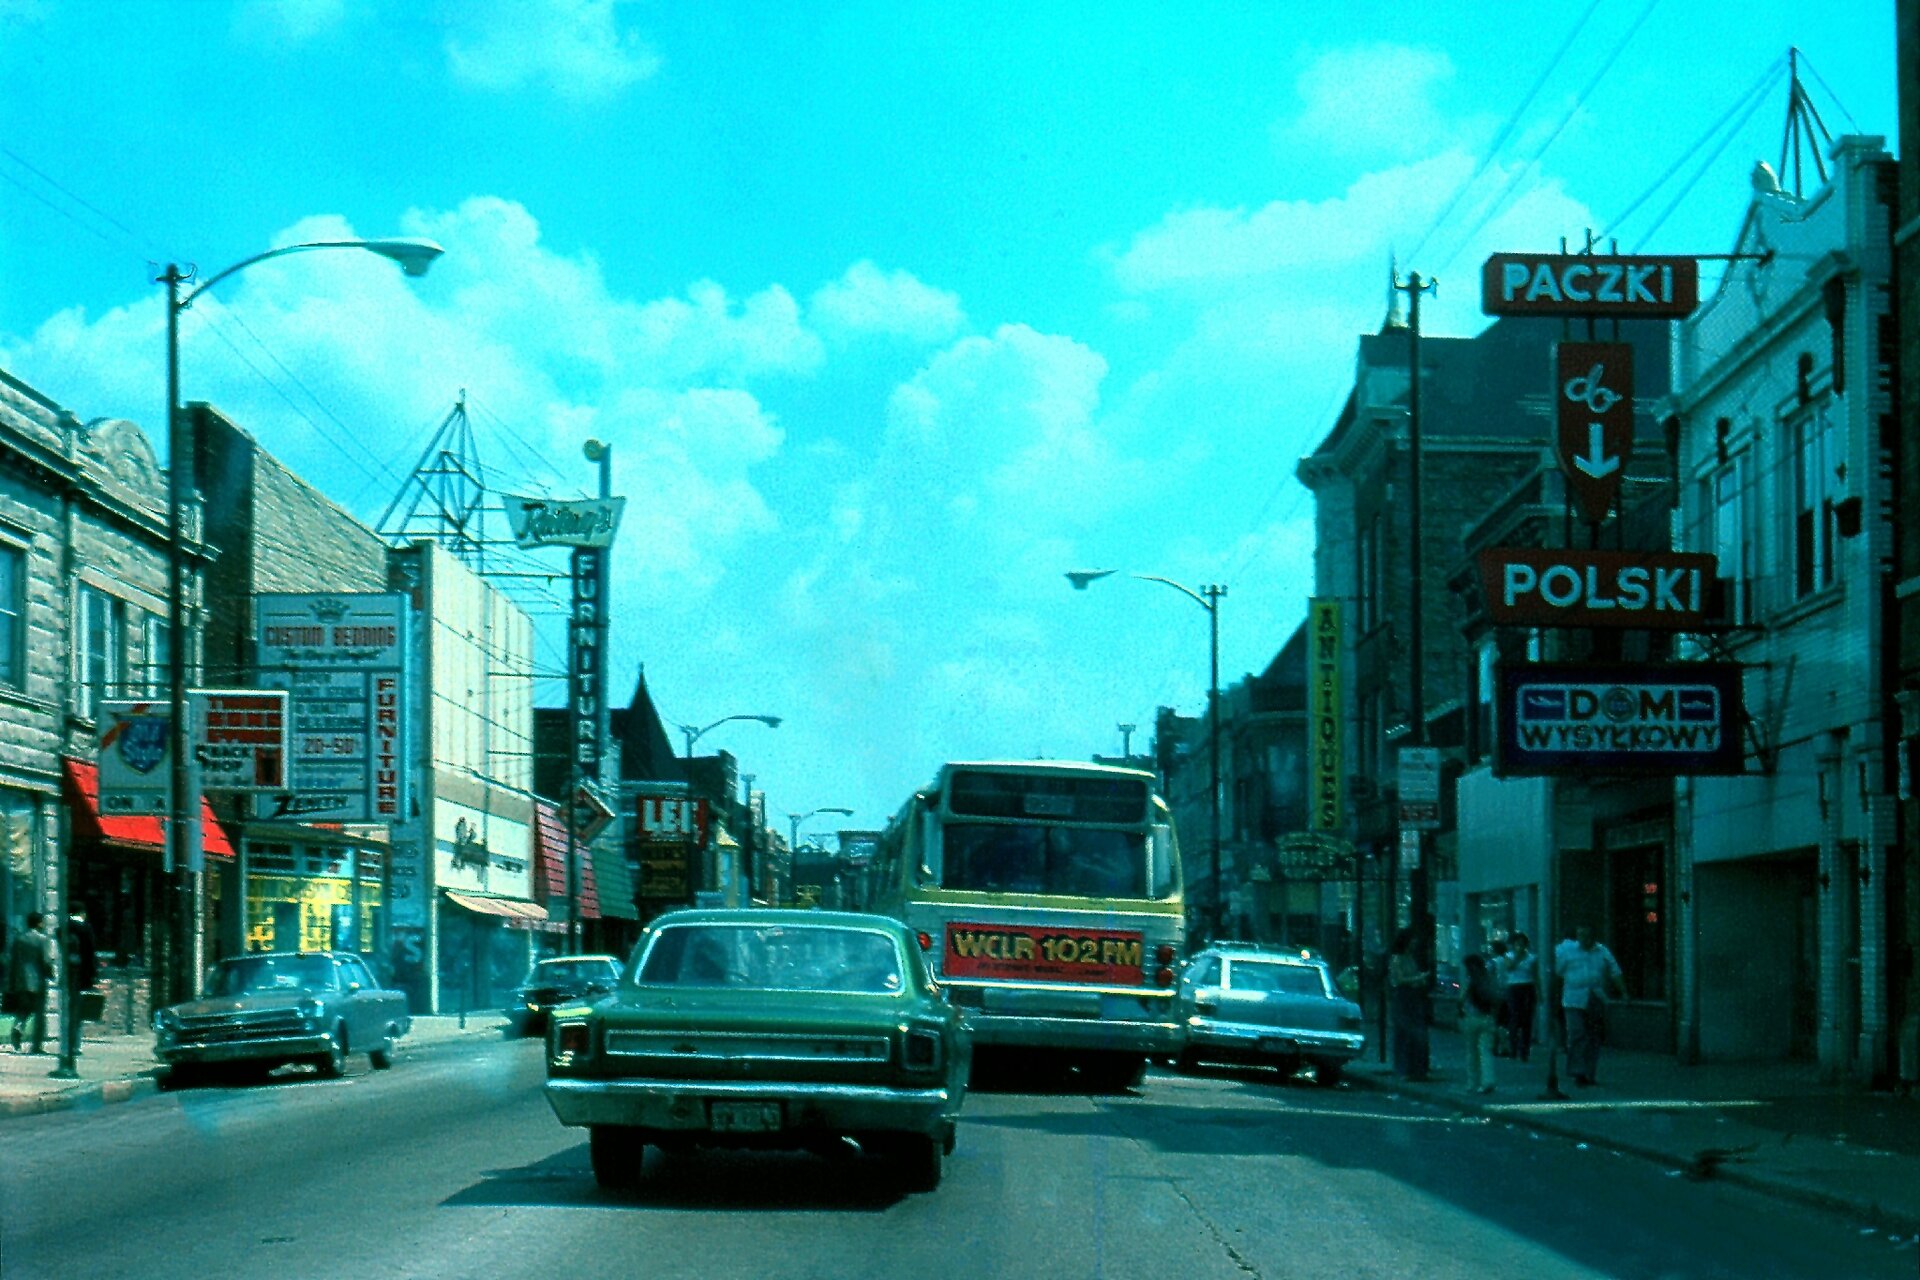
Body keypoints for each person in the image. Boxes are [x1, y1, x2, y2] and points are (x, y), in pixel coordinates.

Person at [1554, 924, 1625, 1086]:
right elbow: (1557, 972)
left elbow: (1615, 970)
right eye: (1580, 935)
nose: (1583, 939)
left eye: (1586, 935)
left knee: (1593, 1036)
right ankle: (1578, 1071)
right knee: (1577, 1034)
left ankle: (1590, 1072)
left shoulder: (1602, 951)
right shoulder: (1568, 952)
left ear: (1593, 936)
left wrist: (1623, 992)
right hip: (1573, 998)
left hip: (1595, 997)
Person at [6, 912, 54, 1054]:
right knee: (40, 1013)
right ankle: (36, 1046)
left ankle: (18, 1027)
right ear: (39, 923)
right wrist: (50, 974)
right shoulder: (43, 939)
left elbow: (13, 961)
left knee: (23, 1009)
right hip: (37, 981)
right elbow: (46, 961)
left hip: (21, 980)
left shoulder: (19, 939)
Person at [1387, 926, 1430, 1081]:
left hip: (1414, 996)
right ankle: (1403, 1069)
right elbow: (1399, 980)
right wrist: (1419, 978)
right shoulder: (1397, 958)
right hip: (1403, 997)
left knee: (1417, 1033)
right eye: (1413, 940)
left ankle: (1417, 1069)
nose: (1415, 943)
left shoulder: (1411, 958)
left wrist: (1420, 978)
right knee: (1404, 1033)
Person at [1460, 953, 1501, 1094]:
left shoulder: (1469, 980)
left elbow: (1461, 998)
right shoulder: (1488, 978)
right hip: (1488, 1017)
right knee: (1486, 1051)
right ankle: (1488, 1081)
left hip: (1471, 1018)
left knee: (1471, 1052)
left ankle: (1472, 1083)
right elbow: (1496, 996)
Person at [64, 906, 100, 1057]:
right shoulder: (86, 929)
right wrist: (93, 975)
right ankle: (75, 1046)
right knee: (78, 1013)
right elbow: (91, 954)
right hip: (81, 975)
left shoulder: (63, 928)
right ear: (82, 913)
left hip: (66, 975)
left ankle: (67, 1044)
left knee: (67, 1011)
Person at [1503, 932, 1539, 1063]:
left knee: (1527, 1020)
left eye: (1523, 944)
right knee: (1514, 1018)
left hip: (1528, 987)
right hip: (1514, 987)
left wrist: (1539, 992)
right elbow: (1509, 967)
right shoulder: (1508, 956)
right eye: (1517, 944)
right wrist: (1518, 957)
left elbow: (1535, 975)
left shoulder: (1532, 958)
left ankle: (1525, 1051)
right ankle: (1513, 1049)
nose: (1520, 946)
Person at [1488, 937, 1513, 1056]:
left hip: (1496, 994)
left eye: (1491, 949)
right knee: (1505, 1021)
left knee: (1495, 1021)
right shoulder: (1507, 960)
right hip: (1508, 993)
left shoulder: (1493, 962)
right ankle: (1506, 1046)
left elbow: (1488, 977)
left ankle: (1496, 1046)